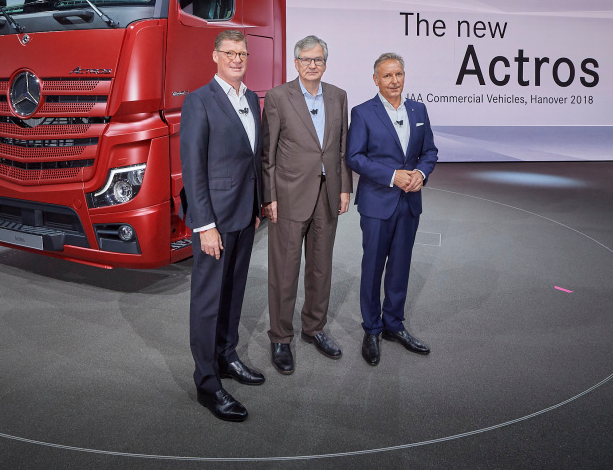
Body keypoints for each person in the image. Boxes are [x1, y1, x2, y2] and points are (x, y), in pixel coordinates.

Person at [179, 29, 265, 422]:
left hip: (245, 215)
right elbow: (193, 168)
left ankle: (227, 356)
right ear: (215, 56)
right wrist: (205, 225)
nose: (236, 59)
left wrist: (258, 203)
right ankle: (207, 381)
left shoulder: (251, 99)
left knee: (233, 292)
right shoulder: (199, 100)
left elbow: (252, 158)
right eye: (229, 52)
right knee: (208, 300)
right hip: (214, 220)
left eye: (242, 53)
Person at [261, 35, 352, 374]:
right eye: (306, 59)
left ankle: (314, 328)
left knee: (321, 268)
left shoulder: (338, 96)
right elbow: (268, 153)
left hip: (328, 195)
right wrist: (269, 196)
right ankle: (280, 337)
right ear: (296, 63)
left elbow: (341, 148)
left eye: (318, 60)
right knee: (284, 271)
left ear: (325, 63)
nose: (313, 65)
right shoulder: (277, 97)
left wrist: (344, 188)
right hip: (288, 197)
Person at [346, 52, 438, 366]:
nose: (394, 80)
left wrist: (421, 173)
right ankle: (372, 329)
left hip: (409, 203)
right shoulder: (362, 112)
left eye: (398, 74)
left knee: (400, 266)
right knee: (373, 267)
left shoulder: (418, 110)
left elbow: (429, 151)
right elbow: (355, 157)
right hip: (377, 203)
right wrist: (392, 175)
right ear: (376, 80)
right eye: (387, 75)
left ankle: (394, 325)